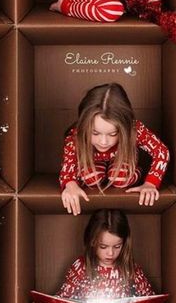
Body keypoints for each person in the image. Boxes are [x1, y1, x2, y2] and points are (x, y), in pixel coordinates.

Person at [39, 209, 166, 303]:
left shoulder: (131, 269)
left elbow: (149, 298)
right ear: (92, 242)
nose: (110, 253)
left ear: (125, 243)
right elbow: (61, 300)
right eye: (103, 247)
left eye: (117, 247)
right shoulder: (80, 266)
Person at [60, 83, 169, 213]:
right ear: (84, 126)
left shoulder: (134, 130)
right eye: (95, 133)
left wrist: (150, 184)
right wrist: (70, 185)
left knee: (120, 178)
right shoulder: (76, 135)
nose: (103, 141)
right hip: (91, 164)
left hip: (123, 162)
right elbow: (68, 164)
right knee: (90, 178)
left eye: (113, 134)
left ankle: (132, 171)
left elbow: (161, 152)